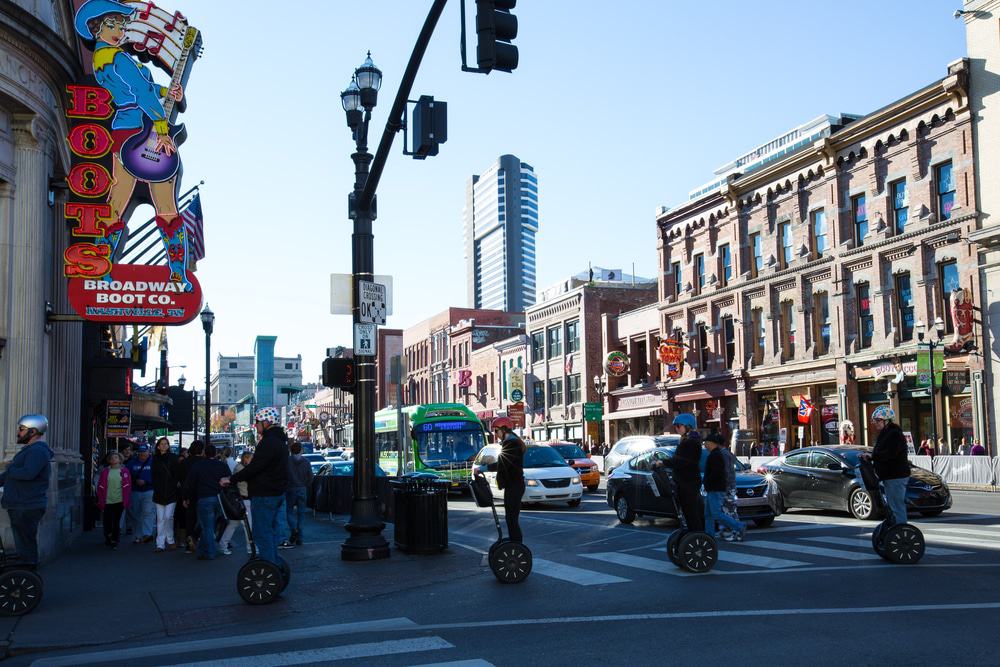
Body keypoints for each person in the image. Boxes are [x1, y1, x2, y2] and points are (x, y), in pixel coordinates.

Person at [73, 0, 193, 291]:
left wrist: (169, 92)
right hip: (145, 129)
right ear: (97, 28)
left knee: (115, 204)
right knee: (167, 206)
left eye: (122, 23)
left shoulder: (105, 59)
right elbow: (140, 92)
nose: (121, 27)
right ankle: (178, 275)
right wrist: (162, 129)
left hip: (122, 131)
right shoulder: (118, 58)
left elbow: (142, 89)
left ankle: (100, 269)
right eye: (114, 23)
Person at [222, 408, 289, 565]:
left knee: (261, 533)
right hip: (276, 493)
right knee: (270, 532)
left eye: (257, 422)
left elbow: (254, 468)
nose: (255, 425)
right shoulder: (280, 441)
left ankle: (269, 567)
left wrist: (231, 479)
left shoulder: (268, 442)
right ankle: (274, 565)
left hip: (264, 495)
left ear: (266, 422)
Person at [0, 415, 54, 568]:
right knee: (23, 542)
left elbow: (28, 473)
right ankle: (26, 571)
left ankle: (27, 573)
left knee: (25, 543)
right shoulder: (30, 450)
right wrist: (9, 471)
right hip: (20, 503)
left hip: (26, 504)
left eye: (22, 429)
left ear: (33, 431)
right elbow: (9, 476)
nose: (19, 432)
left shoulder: (37, 451)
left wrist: (10, 467)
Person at [657, 414, 705, 532]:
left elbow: (682, 461)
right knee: (688, 512)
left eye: (678, 426)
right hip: (686, 481)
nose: (676, 429)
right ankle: (693, 534)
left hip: (687, 482)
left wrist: (663, 462)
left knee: (691, 513)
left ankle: (696, 535)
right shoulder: (688, 440)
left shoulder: (690, 442)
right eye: (675, 426)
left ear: (688, 426)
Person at [183, 443, 230, 560]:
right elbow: (229, 480)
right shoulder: (221, 465)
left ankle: (209, 551)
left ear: (204, 453)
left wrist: (187, 497)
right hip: (219, 497)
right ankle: (203, 550)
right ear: (215, 453)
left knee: (207, 526)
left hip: (204, 497)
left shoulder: (198, 466)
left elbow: (190, 483)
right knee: (209, 525)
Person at [865, 406, 909, 526]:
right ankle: (895, 527)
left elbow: (890, 453)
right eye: (874, 420)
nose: (875, 423)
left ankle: (900, 529)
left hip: (895, 475)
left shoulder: (894, 434)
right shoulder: (886, 433)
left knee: (896, 505)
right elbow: (883, 452)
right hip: (890, 475)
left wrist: (873, 457)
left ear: (887, 421)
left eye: (878, 420)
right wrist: (871, 457)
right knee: (893, 505)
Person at [704, 432, 747, 542]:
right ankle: (709, 536)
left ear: (712, 443)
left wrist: (708, 482)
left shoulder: (717, 455)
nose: (705, 445)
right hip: (717, 488)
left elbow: (719, 473)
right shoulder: (721, 454)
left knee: (717, 513)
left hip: (716, 488)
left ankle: (739, 526)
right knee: (709, 514)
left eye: (706, 443)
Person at [491, 417, 525, 543]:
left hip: (515, 486)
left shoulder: (512, 444)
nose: (495, 434)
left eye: (496, 431)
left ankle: (516, 544)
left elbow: (503, 464)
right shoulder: (511, 442)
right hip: (513, 485)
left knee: (511, 518)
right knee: (510, 518)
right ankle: (514, 542)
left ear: (504, 429)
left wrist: (483, 468)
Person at [219, 450, 254, 555]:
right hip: (243, 499)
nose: (253, 461)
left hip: (242, 499)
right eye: (251, 458)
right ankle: (250, 547)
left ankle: (223, 544)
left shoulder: (240, 467)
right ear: (246, 458)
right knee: (248, 525)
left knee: (234, 523)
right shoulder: (240, 468)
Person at [96, 451, 131, 549]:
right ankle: (108, 536)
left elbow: (128, 486)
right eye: (112, 458)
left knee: (116, 521)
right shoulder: (105, 471)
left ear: (120, 460)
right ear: (109, 460)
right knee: (107, 521)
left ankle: (115, 540)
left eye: (116, 457)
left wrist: (127, 499)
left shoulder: (124, 471)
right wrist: (100, 498)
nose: (114, 459)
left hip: (119, 500)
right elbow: (100, 486)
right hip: (107, 500)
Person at [152, 437, 180, 552]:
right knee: (160, 519)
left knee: (168, 517)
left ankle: (170, 539)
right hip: (159, 492)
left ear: (168, 446)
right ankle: (160, 544)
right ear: (158, 446)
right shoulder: (155, 459)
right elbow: (153, 475)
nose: (164, 445)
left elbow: (177, 474)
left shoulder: (173, 458)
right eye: (162, 444)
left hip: (171, 492)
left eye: (166, 444)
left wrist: (173, 486)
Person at [177, 440, 204, 553]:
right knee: (202, 519)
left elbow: (182, 481)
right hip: (202, 493)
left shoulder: (184, 462)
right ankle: (198, 539)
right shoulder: (203, 462)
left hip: (189, 494)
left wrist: (184, 497)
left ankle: (189, 543)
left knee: (190, 520)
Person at [126, 444, 155, 543]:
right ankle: (138, 535)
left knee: (148, 512)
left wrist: (146, 482)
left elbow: (158, 477)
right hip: (135, 491)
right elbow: (126, 476)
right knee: (136, 514)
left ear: (148, 452)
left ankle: (147, 534)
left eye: (144, 451)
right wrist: (135, 481)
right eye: (141, 452)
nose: (143, 454)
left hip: (149, 490)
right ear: (138, 452)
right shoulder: (132, 463)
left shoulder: (153, 462)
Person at [286, 441, 313, 547]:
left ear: (291, 450)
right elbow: (310, 477)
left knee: (288, 511)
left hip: (290, 489)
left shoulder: (287, 461)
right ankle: (300, 538)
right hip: (302, 489)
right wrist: (305, 485)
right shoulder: (306, 462)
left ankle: (294, 529)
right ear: (301, 450)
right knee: (301, 514)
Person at [717, 433, 741, 541]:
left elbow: (725, 471)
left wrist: (723, 485)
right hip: (730, 486)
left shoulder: (723, 454)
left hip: (727, 486)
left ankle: (735, 532)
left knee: (729, 510)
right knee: (728, 510)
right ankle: (727, 531)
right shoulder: (728, 453)